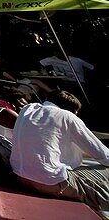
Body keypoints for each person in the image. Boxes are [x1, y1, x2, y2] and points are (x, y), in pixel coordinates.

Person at [11, 90, 109, 219]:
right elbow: (103, 155)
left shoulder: (28, 109)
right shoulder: (67, 116)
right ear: (73, 112)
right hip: (50, 182)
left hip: (22, 175)